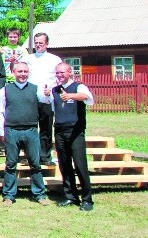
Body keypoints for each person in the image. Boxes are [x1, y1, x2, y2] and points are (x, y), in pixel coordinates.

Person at [0, 62, 50, 206]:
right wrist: (2, 131)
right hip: (12, 131)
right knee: (11, 164)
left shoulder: (35, 89)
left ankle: (39, 194)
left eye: (25, 71)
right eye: (20, 71)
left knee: (35, 164)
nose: (23, 74)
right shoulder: (5, 90)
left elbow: (45, 101)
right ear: (13, 72)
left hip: (31, 130)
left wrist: (47, 95)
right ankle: (9, 195)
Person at [48, 62, 95, 211]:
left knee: (80, 165)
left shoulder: (78, 87)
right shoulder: (54, 90)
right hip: (60, 130)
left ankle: (87, 200)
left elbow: (89, 99)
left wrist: (71, 96)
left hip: (75, 131)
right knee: (64, 164)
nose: (60, 75)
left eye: (62, 72)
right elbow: (51, 107)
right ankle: (70, 196)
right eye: (57, 73)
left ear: (70, 73)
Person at [26, 32, 62, 166]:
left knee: (46, 128)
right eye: (36, 43)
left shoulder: (55, 59)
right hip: (31, 100)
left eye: (41, 43)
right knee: (30, 129)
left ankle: (45, 156)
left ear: (47, 43)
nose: (38, 45)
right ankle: (30, 156)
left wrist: (52, 90)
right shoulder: (28, 59)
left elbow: (59, 79)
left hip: (47, 98)